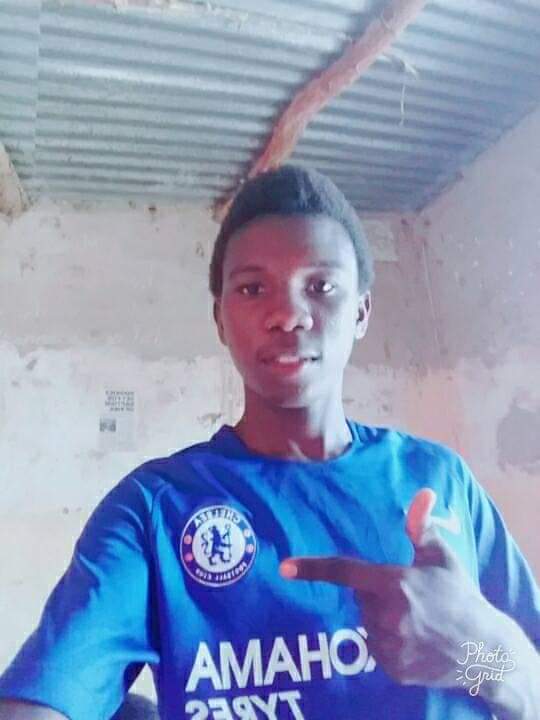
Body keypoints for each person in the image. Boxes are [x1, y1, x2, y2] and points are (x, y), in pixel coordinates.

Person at [0, 165, 538, 720]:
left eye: (321, 286)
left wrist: (478, 655)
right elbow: (42, 701)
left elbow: (532, 688)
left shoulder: (439, 480)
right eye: (253, 288)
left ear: (360, 312)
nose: (287, 314)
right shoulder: (154, 508)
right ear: (220, 319)